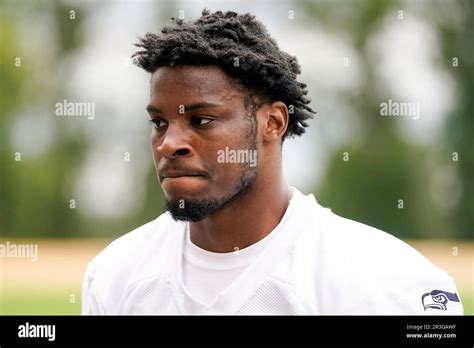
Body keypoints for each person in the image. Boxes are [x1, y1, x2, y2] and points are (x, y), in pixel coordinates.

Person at [82, 9, 463, 315]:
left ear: (273, 122)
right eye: (159, 123)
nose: (170, 143)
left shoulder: (386, 283)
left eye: (200, 120)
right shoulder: (116, 274)